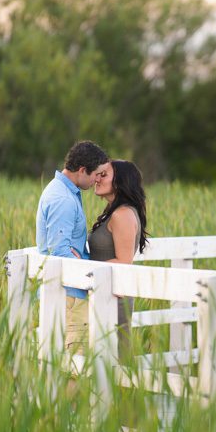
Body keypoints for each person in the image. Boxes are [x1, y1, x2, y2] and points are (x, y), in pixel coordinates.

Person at [36, 140, 109, 354]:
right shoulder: (63, 199)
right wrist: (84, 266)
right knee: (75, 365)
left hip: (64, 293)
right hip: (69, 296)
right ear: (82, 170)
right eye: (96, 174)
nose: (97, 179)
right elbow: (59, 252)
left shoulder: (62, 191)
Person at [88, 160, 149, 362]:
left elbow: (124, 262)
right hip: (105, 292)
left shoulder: (122, 214)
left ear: (120, 181)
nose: (97, 178)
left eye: (104, 175)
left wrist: (82, 270)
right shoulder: (114, 212)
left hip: (115, 298)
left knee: (115, 361)